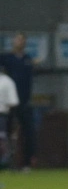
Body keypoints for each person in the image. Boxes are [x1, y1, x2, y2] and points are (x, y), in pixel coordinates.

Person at [0, 32, 37, 171]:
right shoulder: (7, 58)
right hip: (8, 104)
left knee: (29, 132)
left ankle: (27, 163)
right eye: (17, 39)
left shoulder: (27, 59)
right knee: (5, 133)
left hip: (24, 102)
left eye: (22, 39)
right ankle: (5, 163)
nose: (19, 42)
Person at [0, 63, 17, 169]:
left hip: (2, 115)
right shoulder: (7, 81)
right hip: (3, 114)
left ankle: (4, 162)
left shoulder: (7, 81)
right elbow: (13, 101)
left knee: (2, 139)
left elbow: (13, 101)